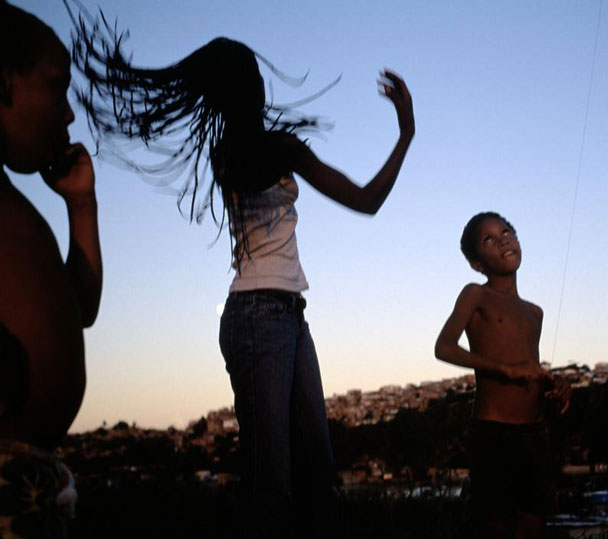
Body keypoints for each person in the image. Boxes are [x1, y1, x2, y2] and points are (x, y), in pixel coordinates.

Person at [67, 8, 414, 536]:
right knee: (272, 486)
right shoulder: (269, 148)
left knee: (315, 476)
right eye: (253, 74)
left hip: (287, 316)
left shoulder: (229, 150)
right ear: (246, 87)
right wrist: (405, 134)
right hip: (259, 316)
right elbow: (366, 200)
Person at [0, 1, 102, 535]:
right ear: (3, 83)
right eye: (57, 87)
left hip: (33, 482)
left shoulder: (19, 213)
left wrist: (80, 206)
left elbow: (80, 309)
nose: (67, 114)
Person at [435, 212, 570, 539]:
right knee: (495, 526)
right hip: (494, 431)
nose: (503, 240)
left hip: (535, 431)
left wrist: (553, 384)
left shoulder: (534, 312)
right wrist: (504, 369)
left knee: (533, 524)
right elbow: (444, 347)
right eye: (489, 239)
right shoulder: (475, 295)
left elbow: (529, 366)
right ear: (476, 264)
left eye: (507, 231)